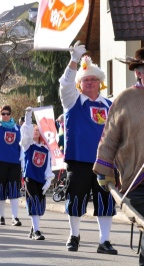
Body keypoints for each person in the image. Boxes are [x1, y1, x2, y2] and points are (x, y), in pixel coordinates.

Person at [59, 40, 117, 254]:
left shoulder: (110, 105)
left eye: (94, 79)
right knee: (75, 199)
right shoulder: (72, 101)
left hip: (105, 161)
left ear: (100, 82)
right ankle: (74, 236)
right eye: (86, 80)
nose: (90, 83)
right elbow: (65, 84)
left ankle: (105, 241)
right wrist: (74, 61)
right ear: (80, 83)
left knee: (105, 202)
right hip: (79, 159)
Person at [93, 47, 144, 265]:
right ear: (139, 72)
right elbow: (109, 137)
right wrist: (104, 171)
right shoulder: (125, 99)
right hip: (135, 180)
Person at [0, 89, 23, 226]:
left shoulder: (18, 128)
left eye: (7, 114)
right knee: (1, 189)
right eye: (3, 114)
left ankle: (15, 217)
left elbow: (24, 145)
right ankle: (1, 217)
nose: (5, 116)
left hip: (14, 162)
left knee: (14, 190)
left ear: (11, 115)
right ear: (0, 115)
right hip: (0, 161)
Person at [20, 108, 54, 240]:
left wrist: (48, 180)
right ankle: (37, 231)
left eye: (38, 130)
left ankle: (33, 228)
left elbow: (47, 166)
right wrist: (28, 117)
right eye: (34, 130)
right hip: (30, 178)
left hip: (41, 179)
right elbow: (25, 136)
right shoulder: (28, 146)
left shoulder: (46, 149)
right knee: (33, 202)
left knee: (40, 205)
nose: (35, 132)